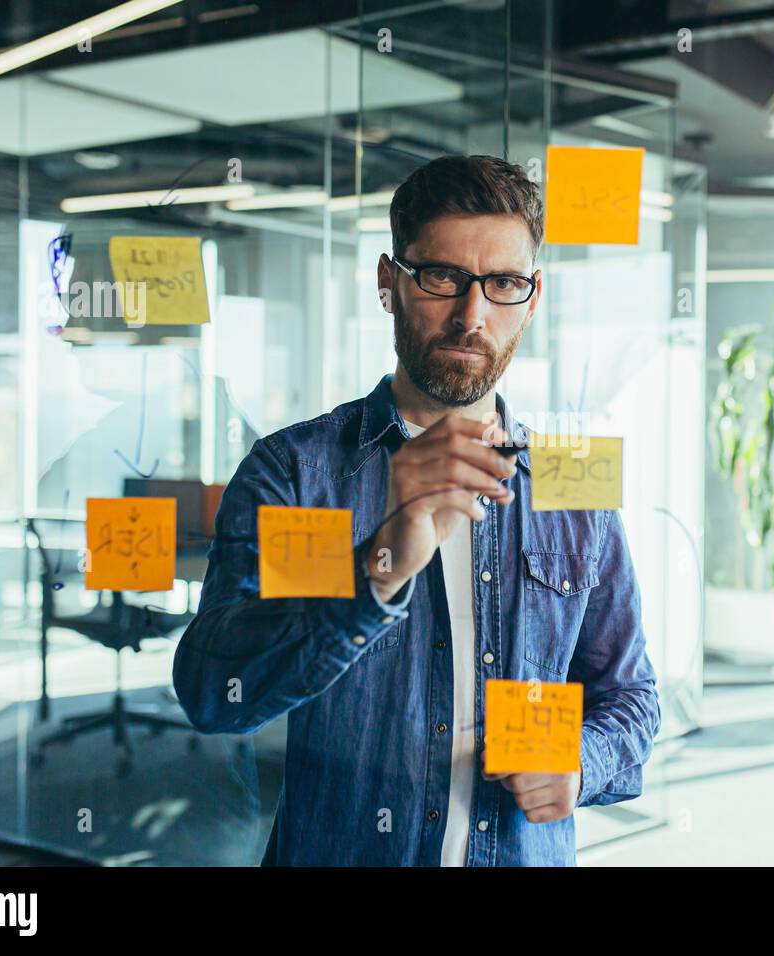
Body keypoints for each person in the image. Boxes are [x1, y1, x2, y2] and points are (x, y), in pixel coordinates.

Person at [172, 154, 660, 866]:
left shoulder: (572, 481)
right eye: (441, 277)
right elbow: (217, 694)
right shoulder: (300, 474)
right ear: (387, 282)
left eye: (504, 284)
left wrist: (579, 761)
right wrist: (381, 561)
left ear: (534, 296)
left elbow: (631, 695)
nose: (472, 315)